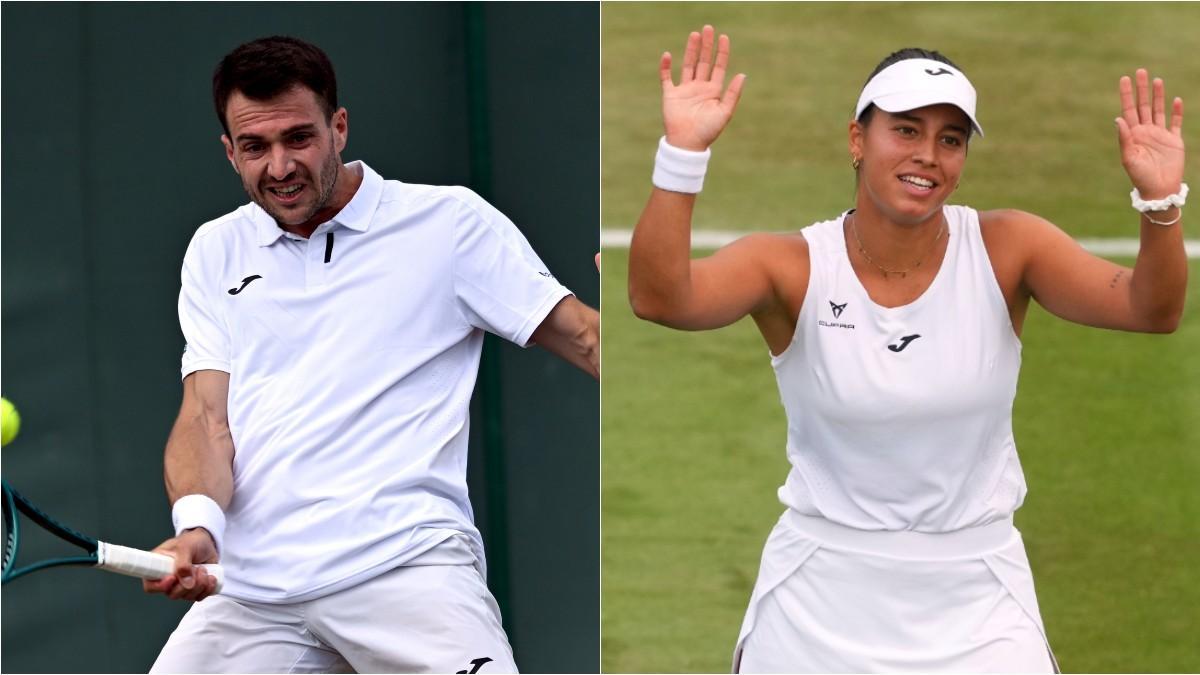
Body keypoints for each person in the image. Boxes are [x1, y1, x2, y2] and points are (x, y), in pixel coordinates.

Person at [628, 25, 1186, 673]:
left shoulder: (1011, 248)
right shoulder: (791, 265)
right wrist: (682, 154)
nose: (929, 154)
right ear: (857, 140)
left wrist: (1160, 202)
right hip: (817, 603)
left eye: (950, 139)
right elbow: (660, 298)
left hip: (979, 602)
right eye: (907, 129)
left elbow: (1153, 309)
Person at [142, 36, 598, 674]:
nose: (279, 168)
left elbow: (587, 340)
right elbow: (205, 418)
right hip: (254, 592)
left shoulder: (448, 223)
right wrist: (197, 527)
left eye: (299, 138)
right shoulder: (213, 250)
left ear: (340, 127)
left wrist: (650, 314)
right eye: (255, 147)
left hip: (404, 564)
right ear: (229, 151)